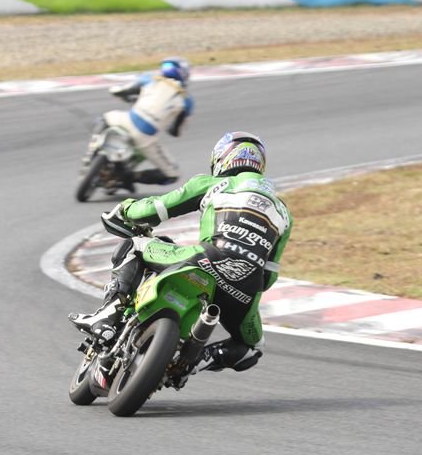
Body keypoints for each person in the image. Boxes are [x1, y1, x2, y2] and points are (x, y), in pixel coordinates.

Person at [70, 131, 292, 373]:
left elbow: (155, 209)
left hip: (205, 260)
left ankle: (107, 315)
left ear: (222, 159)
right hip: (247, 288)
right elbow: (269, 277)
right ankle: (196, 361)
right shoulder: (283, 212)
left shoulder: (214, 184)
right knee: (252, 347)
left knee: (133, 245)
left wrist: (124, 210)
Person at [96, 57, 193, 192]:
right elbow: (175, 131)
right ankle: (129, 177)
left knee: (104, 118)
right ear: (183, 73)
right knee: (172, 175)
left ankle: (93, 151)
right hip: (145, 139)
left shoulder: (150, 78)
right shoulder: (186, 101)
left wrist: (125, 97)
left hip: (124, 120)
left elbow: (119, 90)